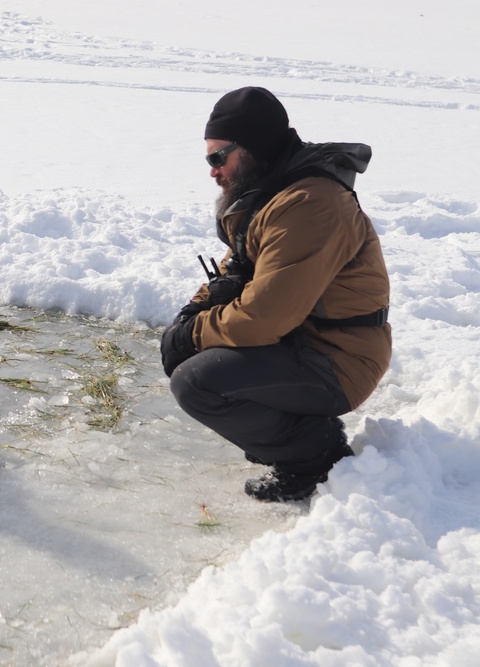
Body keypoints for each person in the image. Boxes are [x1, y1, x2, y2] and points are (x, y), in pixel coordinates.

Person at [160, 86, 391, 502]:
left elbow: (266, 316)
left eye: (218, 157)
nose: (213, 170)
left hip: (339, 359)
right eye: (208, 158)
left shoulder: (310, 204)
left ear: (251, 148)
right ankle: (295, 433)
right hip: (304, 341)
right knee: (199, 350)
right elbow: (234, 267)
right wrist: (190, 315)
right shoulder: (271, 193)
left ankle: (315, 456)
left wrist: (193, 335)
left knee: (197, 382)